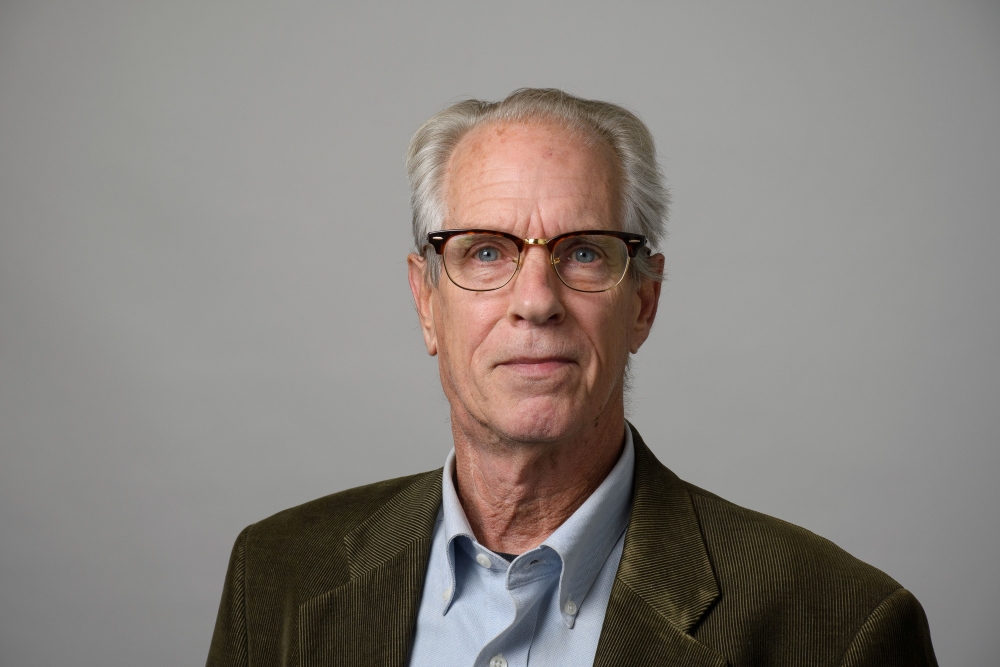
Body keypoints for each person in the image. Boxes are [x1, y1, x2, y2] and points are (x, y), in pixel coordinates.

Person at [206, 88, 937, 667]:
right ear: (427, 302)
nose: (535, 300)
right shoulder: (277, 576)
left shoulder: (841, 626)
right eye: (485, 252)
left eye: (584, 253)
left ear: (643, 303)